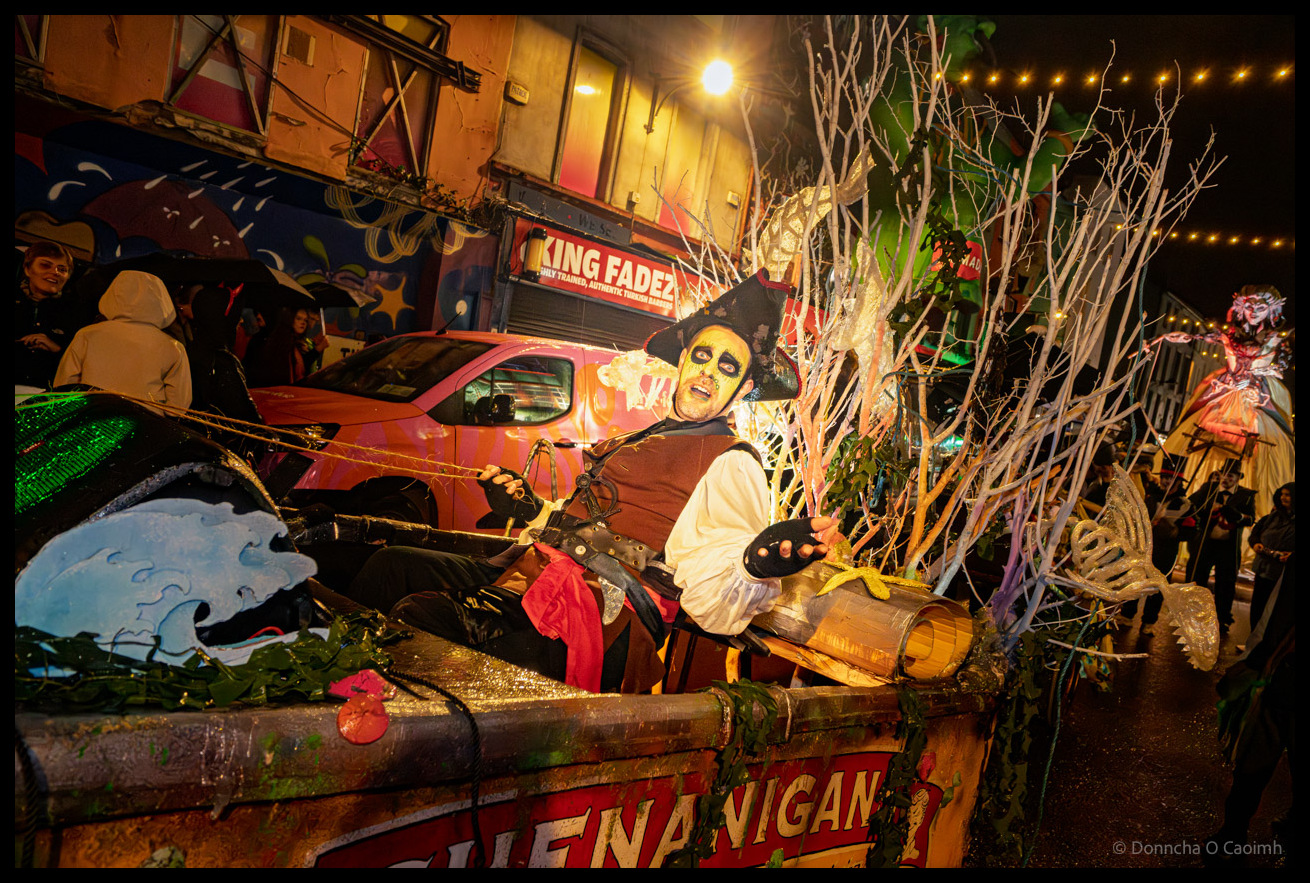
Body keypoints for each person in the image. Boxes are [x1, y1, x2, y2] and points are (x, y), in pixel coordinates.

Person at [343, 270, 839, 693]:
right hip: (537, 572)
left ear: (744, 388)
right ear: (684, 359)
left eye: (728, 367)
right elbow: (586, 522)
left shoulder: (733, 463)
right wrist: (526, 506)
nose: (709, 372)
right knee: (389, 568)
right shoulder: (644, 434)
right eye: (703, 357)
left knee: (420, 619)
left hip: (602, 618)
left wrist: (754, 563)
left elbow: (710, 589)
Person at [1206, 554, 1295, 867]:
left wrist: (1253, 662)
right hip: (1282, 680)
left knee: (1252, 765)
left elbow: (1272, 618)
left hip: (1282, 679)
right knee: (1252, 765)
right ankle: (1232, 834)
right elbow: (1273, 617)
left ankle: (1232, 835)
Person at [53, 270, 192, 410]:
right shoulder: (173, 347)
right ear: (162, 302)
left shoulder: (87, 335)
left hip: (91, 418)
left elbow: (63, 387)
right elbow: (177, 407)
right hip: (144, 424)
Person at [1185, 459, 1257, 632]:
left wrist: (1238, 516)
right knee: (1197, 576)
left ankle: (1222, 617)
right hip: (1205, 543)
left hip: (1228, 547)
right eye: (1224, 474)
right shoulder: (1209, 489)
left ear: (1238, 478)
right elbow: (1190, 505)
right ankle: (1192, 612)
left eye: (1230, 475)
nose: (1226, 478)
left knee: (1226, 582)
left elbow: (1251, 519)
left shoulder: (1246, 495)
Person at [15, 241, 76, 392]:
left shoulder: (75, 314)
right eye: (45, 265)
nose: (55, 272)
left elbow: (80, 365)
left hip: (45, 400)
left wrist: (56, 349)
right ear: (27, 269)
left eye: (62, 269)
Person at [1247, 482, 1294, 630]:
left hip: (1283, 573)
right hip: (1263, 568)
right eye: (1282, 494)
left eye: (1288, 495)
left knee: (1274, 610)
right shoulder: (1273, 516)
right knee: (1258, 606)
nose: (1283, 497)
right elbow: (1255, 534)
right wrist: (1255, 544)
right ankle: (1253, 640)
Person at [245, 306, 328, 387]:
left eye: (305, 320)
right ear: (290, 320)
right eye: (298, 319)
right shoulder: (282, 342)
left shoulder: (298, 343)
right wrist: (317, 350)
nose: (303, 323)